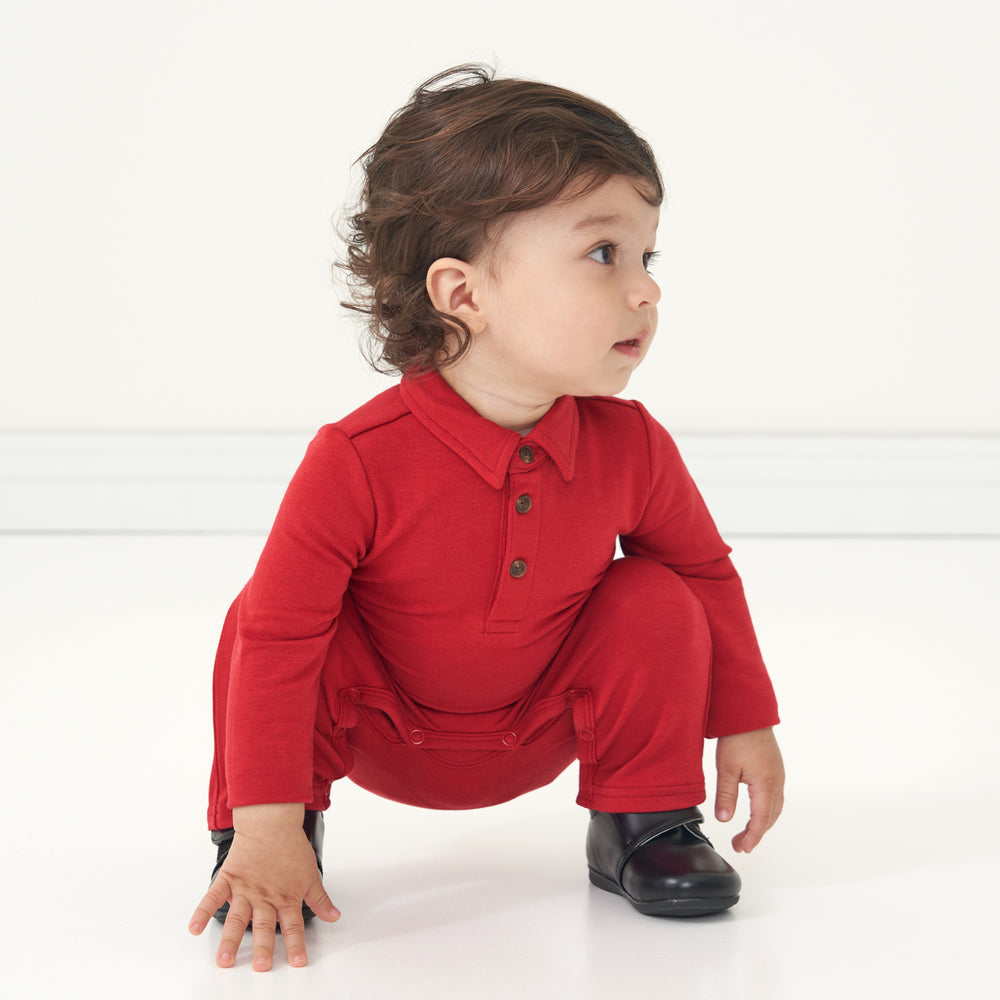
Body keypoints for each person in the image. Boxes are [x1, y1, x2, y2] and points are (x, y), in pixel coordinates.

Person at [188, 64, 785, 972]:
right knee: (261, 618)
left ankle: (644, 821)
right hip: (379, 723)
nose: (646, 291)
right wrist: (265, 817)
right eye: (602, 254)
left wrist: (744, 719)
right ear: (462, 294)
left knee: (659, 593)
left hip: (542, 717)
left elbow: (707, 577)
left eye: (645, 257)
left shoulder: (632, 445)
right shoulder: (357, 458)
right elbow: (279, 639)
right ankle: (272, 844)